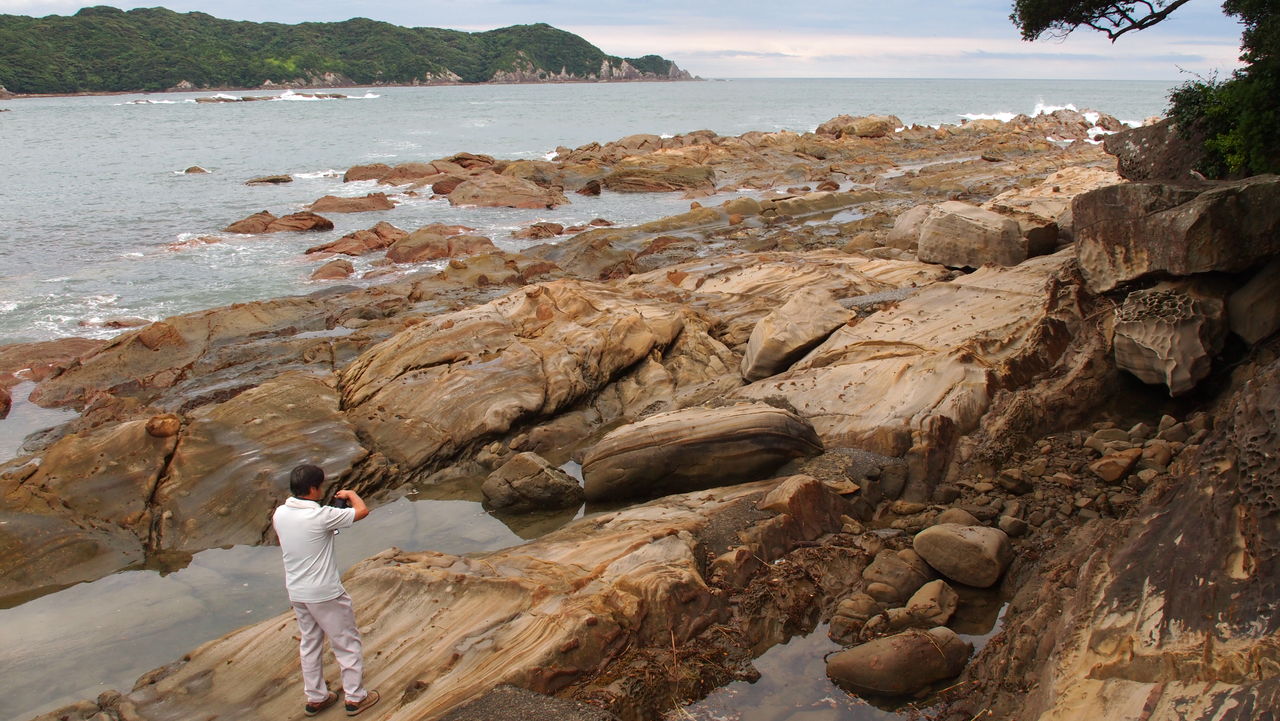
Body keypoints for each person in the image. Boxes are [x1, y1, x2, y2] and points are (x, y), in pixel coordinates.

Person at [273, 464, 380, 717]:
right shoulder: (320, 516)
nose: (322, 488)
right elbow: (362, 511)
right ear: (312, 488)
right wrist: (351, 494)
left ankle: (316, 697)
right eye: (320, 485)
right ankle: (355, 697)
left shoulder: (280, 514)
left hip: (297, 591)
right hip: (325, 592)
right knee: (346, 642)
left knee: (310, 643)